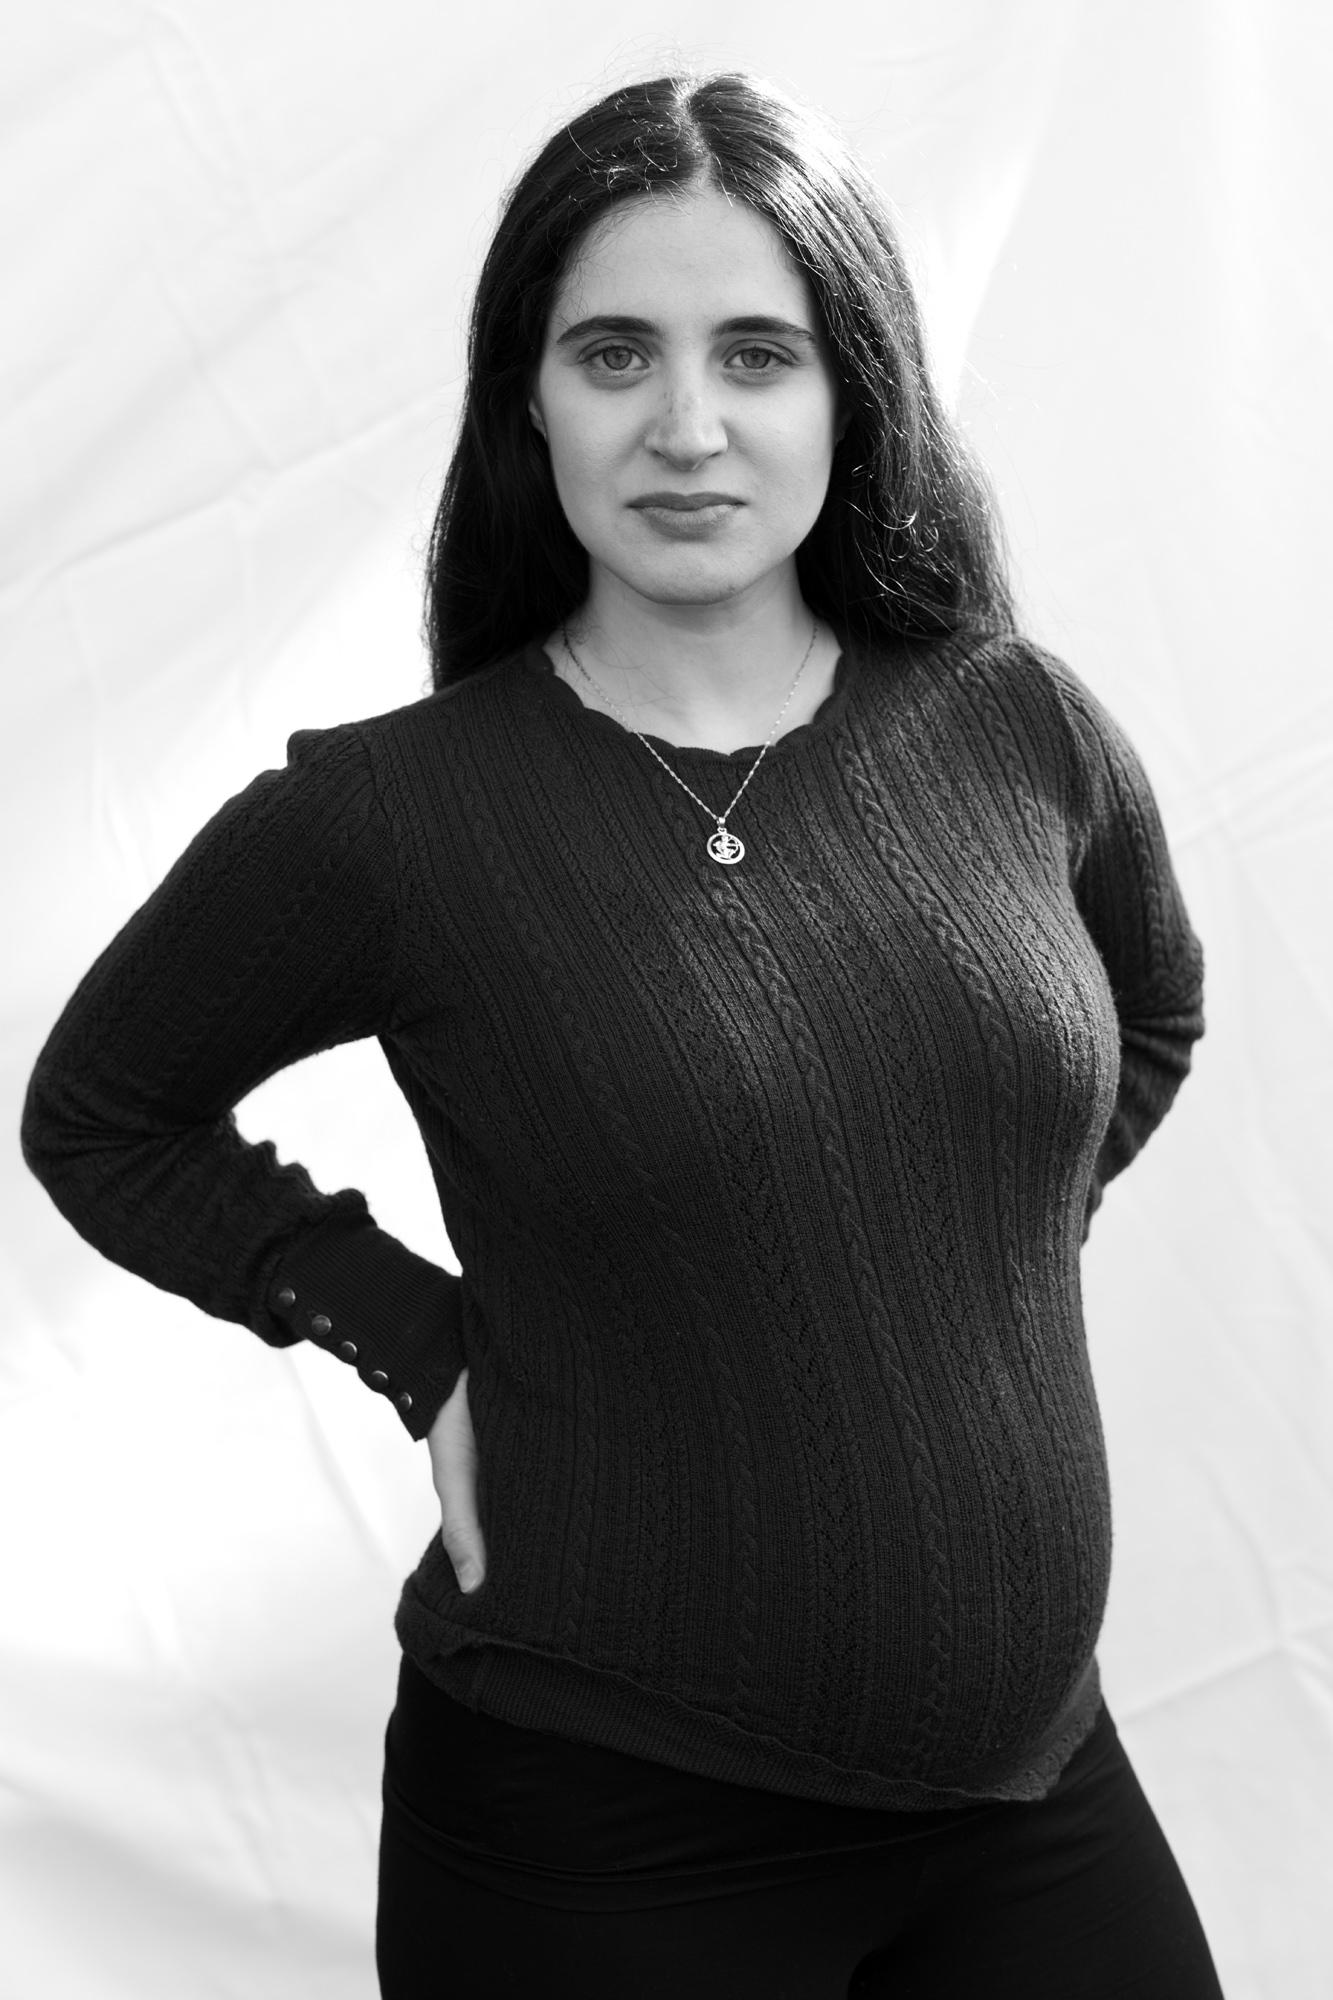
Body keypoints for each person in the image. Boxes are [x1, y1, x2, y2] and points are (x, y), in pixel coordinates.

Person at [21, 70, 1222, 2000]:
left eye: (756, 353)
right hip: (605, 1826)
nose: (686, 426)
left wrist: (945, 1250)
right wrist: (416, 1341)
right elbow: (100, 1114)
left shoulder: (1017, 725)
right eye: (613, 356)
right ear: (528, 400)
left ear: (853, 391)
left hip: (1032, 1789)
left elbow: (1148, 1010)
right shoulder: (394, 819)